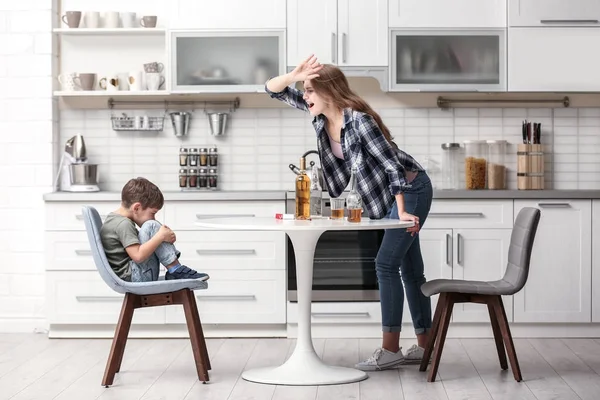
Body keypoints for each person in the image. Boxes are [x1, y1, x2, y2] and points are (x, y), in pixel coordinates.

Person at [265, 55, 433, 371]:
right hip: (383, 196)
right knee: (410, 270)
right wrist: (294, 75)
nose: (305, 96)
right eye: (304, 90)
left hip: (410, 189)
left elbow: (391, 166)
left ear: (329, 92)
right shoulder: (319, 117)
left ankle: (390, 349)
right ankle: (426, 347)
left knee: (386, 264)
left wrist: (402, 213)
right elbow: (272, 90)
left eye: (311, 90)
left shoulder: (360, 122)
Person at [100, 177, 209, 282]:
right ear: (136, 208)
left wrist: (160, 237)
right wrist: (160, 236)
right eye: (153, 213)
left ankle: (175, 269)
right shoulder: (123, 224)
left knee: (153, 226)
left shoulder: (114, 219)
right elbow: (138, 256)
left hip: (131, 275)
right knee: (151, 225)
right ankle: (175, 269)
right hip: (135, 277)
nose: (154, 217)